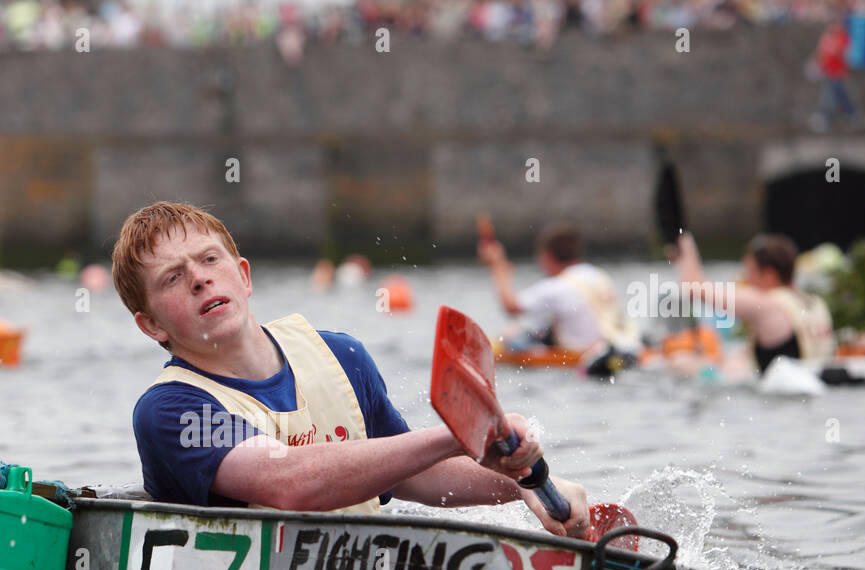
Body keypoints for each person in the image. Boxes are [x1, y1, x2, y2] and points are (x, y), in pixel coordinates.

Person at [114, 201, 589, 537]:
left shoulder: (342, 356)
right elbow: (289, 482)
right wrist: (462, 431)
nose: (199, 278)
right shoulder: (169, 410)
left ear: (243, 275)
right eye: (173, 278)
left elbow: (413, 476)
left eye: (209, 259)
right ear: (150, 324)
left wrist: (522, 485)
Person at [479, 222, 641, 374]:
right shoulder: (598, 275)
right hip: (621, 345)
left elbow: (511, 307)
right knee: (532, 328)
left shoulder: (556, 287)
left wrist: (497, 266)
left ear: (548, 256)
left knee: (511, 335)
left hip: (583, 356)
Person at [670, 232, 834, 375]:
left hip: (780, 392)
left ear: (769, 274)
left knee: (682, 362)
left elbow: (694, 288)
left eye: (749, 271)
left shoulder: (767, 305)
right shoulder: (815, 302)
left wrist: (686, 245)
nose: (745, 279)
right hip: (808, 377)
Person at [809, 7, 865, 132]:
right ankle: (851, 114)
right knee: (836, 94)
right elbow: (820, 53)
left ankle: (826, 116)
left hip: (838, 72)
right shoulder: (826, 37)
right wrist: (816, 65)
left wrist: (836, 53)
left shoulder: (843, 37)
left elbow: (844, 53)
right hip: (828, 72)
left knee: (832, 95)